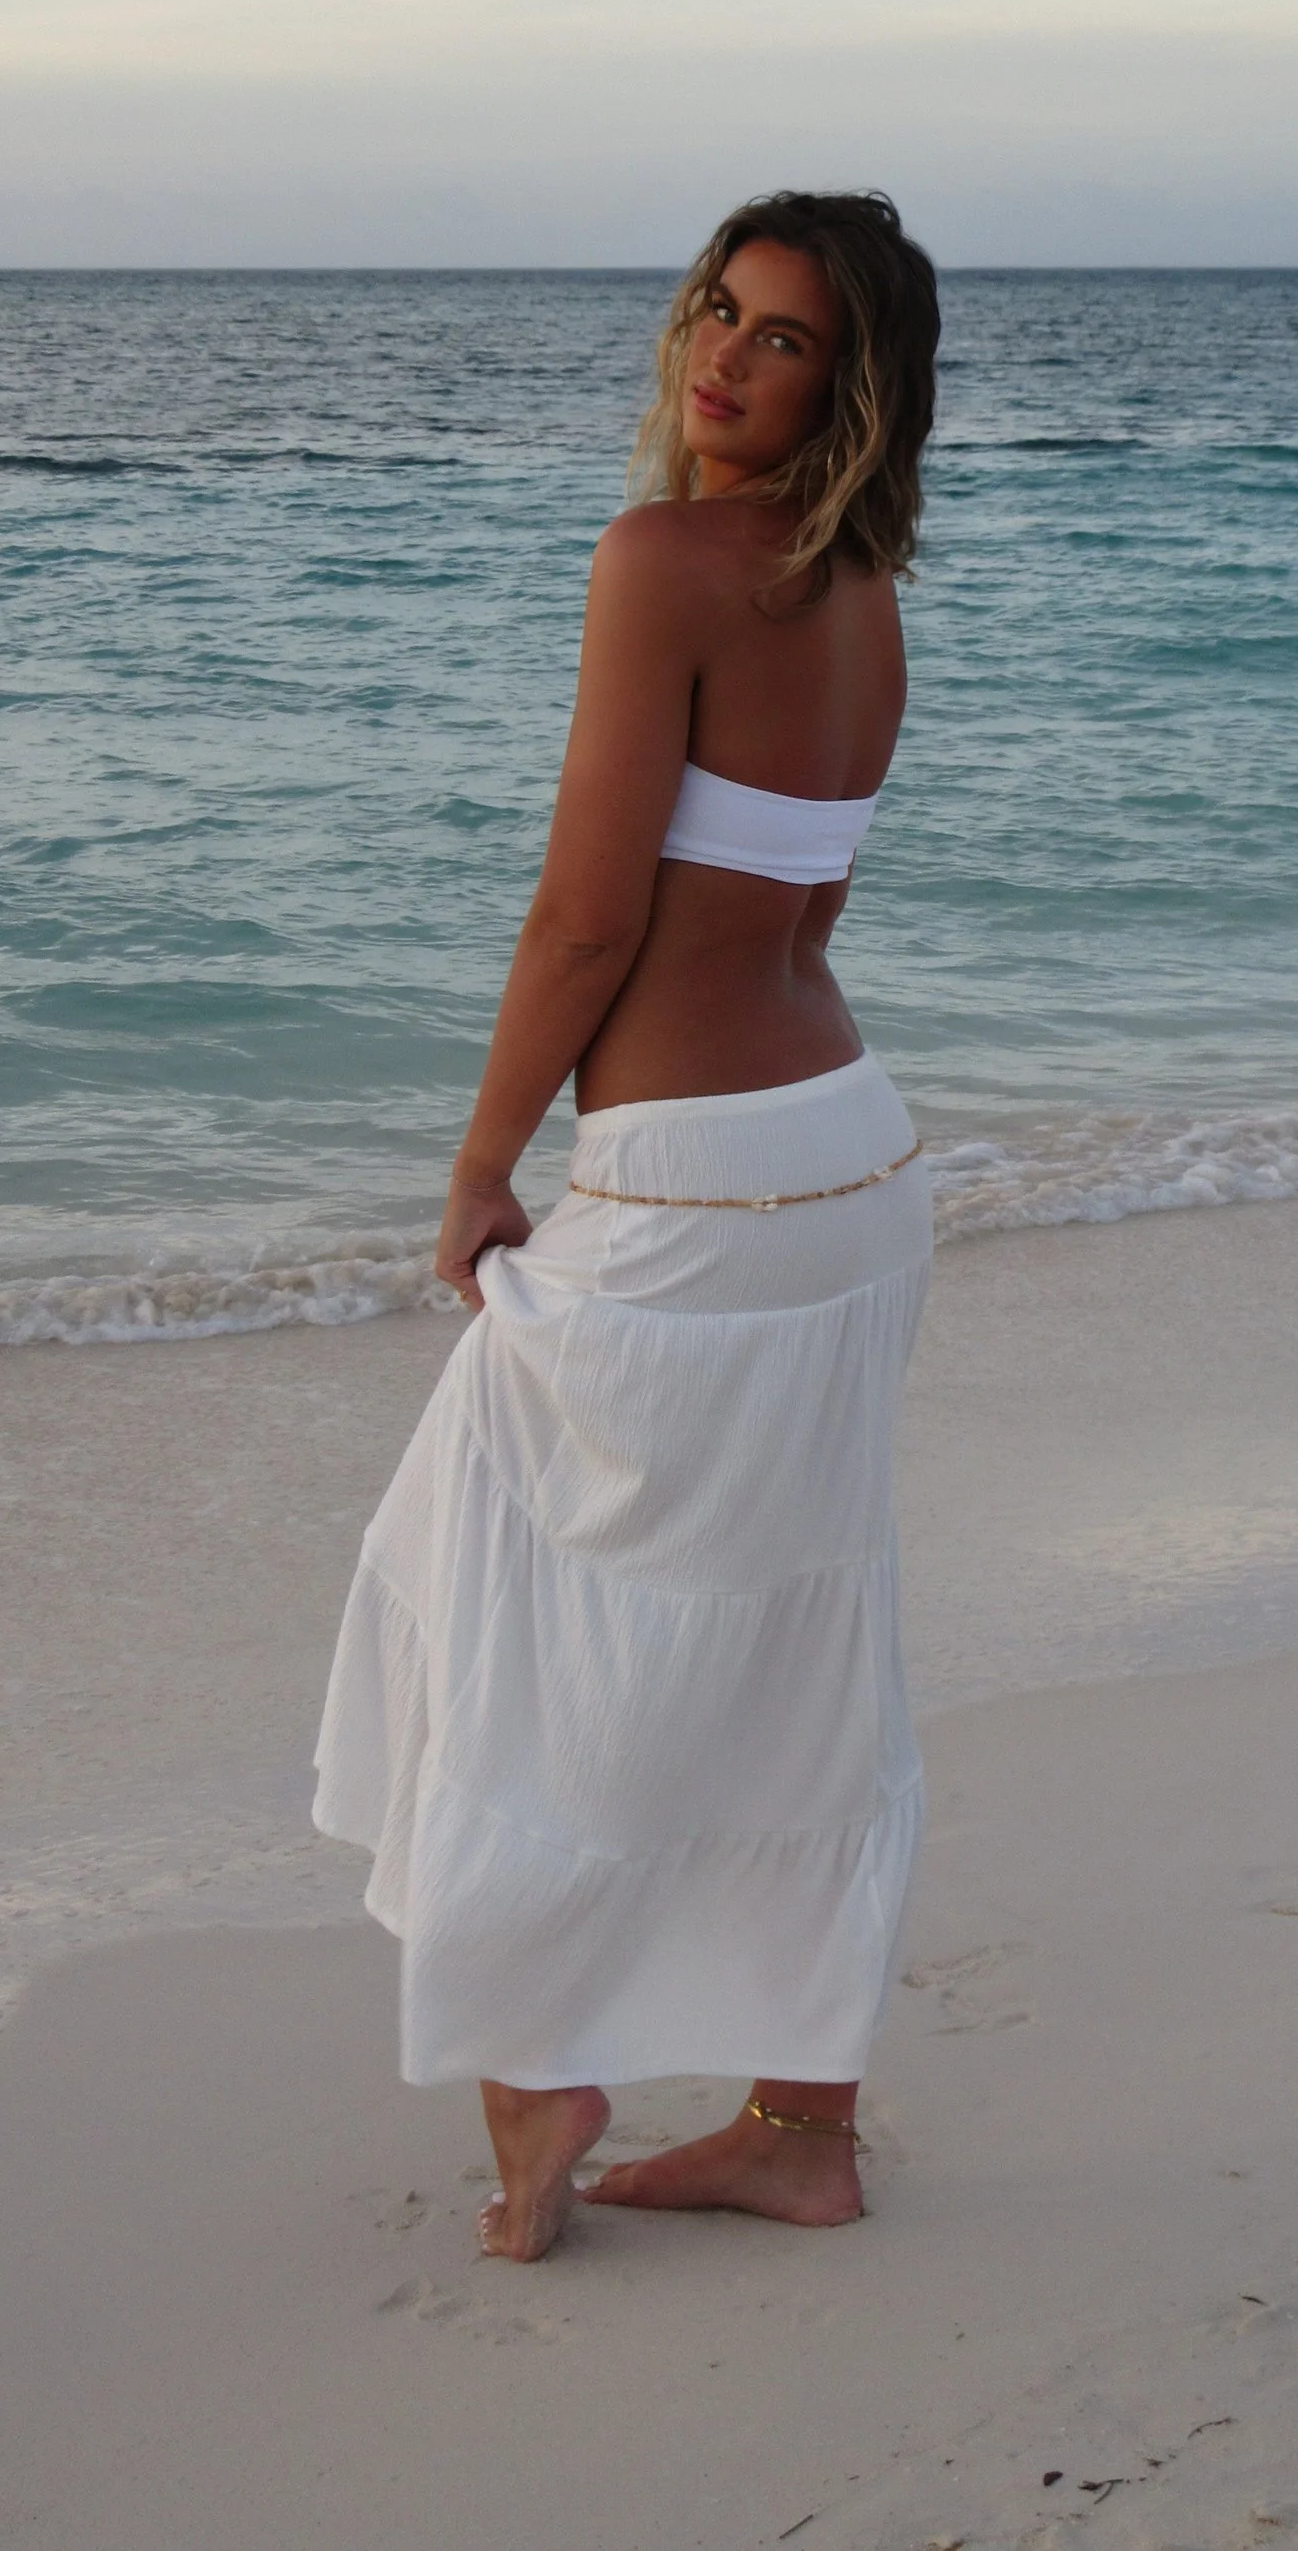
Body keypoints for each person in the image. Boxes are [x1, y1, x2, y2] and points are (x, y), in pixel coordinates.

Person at [312, 189, 942, 2263]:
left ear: (850, 391)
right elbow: (805, 913)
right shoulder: (862, 602)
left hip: (690, 1193)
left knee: (493, 1599)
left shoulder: (662, 560)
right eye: (715, 313)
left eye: (780, 342)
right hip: (847, 1167)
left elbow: (589, 913)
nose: (723, 360)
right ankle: (801, 2124)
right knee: (792, 1642)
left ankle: (539, 2059)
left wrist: (482, 1157)